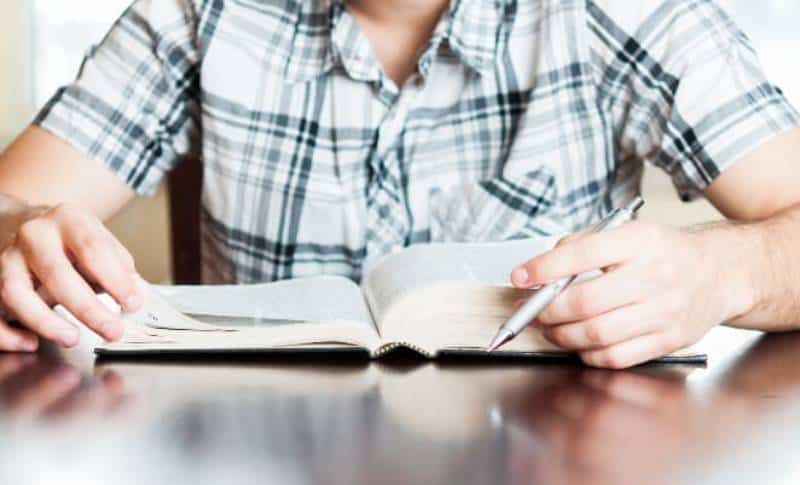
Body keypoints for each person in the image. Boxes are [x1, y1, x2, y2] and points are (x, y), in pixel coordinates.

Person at [0, 0, 797, 368]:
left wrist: (723, 273)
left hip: (549, 484)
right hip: (247, 483)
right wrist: (15, 238)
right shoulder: (197, 13)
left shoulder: (621, 12)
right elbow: (10, 209)